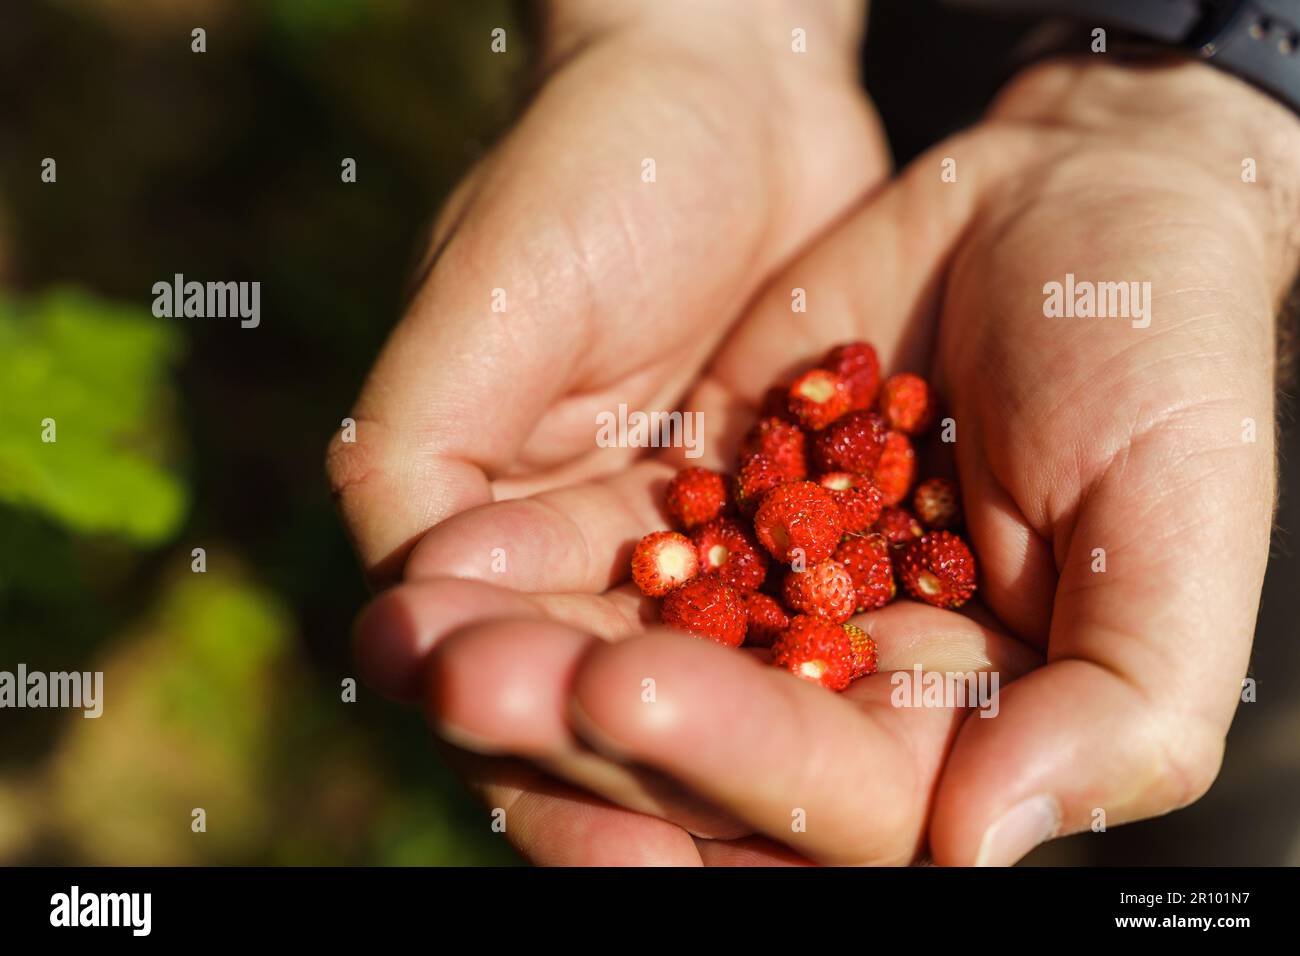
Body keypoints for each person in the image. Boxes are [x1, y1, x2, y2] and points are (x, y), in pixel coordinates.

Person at [326, 0, 1300, 865]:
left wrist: (1222, 111)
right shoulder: (797, 515)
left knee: (1227, 749)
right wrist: (693, 32)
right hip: (897, 55)